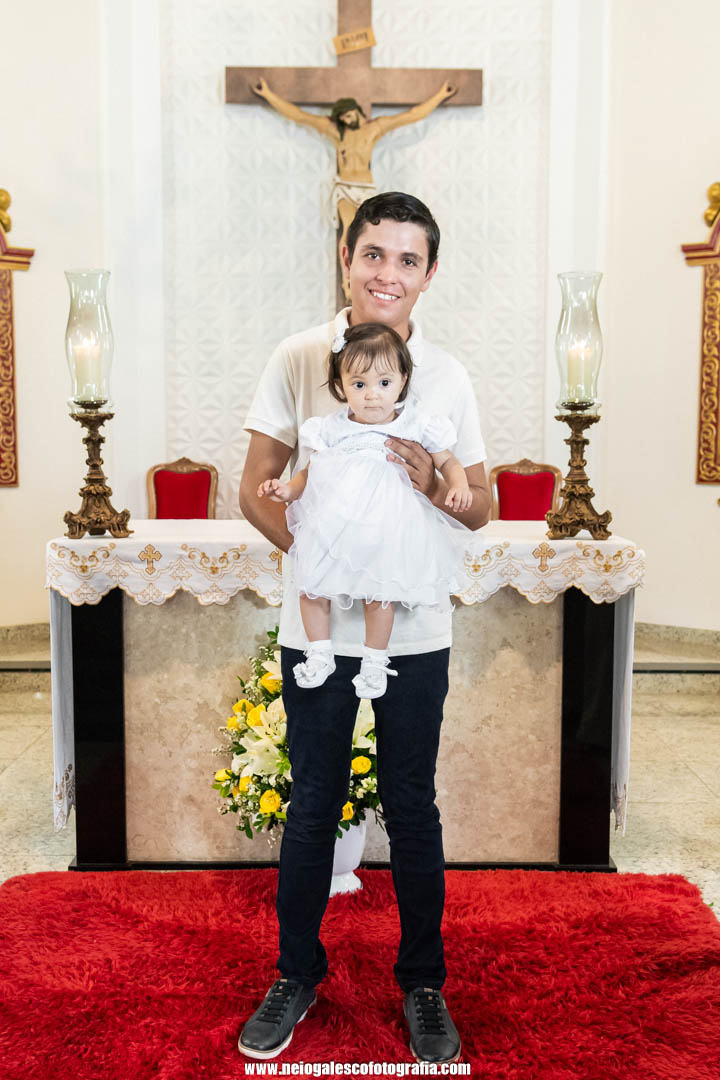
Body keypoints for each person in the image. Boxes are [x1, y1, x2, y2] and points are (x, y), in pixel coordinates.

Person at [238, 192, 490, 1065]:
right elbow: (255, 487)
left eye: (408, 259)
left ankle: (423, 983)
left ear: (429, 273)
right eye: (373, 253)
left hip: (411, 631)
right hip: (317, 629)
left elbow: (481, 505)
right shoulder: (298, 357)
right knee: (313, 801)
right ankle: (295, 974)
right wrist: (326, 565)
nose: (389, 273)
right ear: (347, 258)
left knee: (411, 802)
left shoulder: (447, 375)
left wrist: (432, 484)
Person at [257, 321, 473, 700]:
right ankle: (319, 652)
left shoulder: (416, 424)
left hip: (386, 529)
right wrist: (286, 490)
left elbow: (449, 461)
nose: (372, 394)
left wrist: (457, 484)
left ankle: (374, 660)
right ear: (341, 385)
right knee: (311, 585)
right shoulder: (330, 428)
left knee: (380, 595)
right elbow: (310, 472)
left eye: (384, 383)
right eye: (359, 384)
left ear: (403, 381)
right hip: (334, 525)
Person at [251, 78, 457, 300]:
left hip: (365, 188)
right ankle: (347, 282)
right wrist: (268, 94)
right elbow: (300, 116)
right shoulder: (337, 132)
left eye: (348, 116)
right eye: (342, 119)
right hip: (345, 188)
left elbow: (410, 116)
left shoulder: (374, 128)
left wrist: (441, 95)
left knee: (376, 234)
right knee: (349, 230)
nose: (347, 121)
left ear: (356, 111)